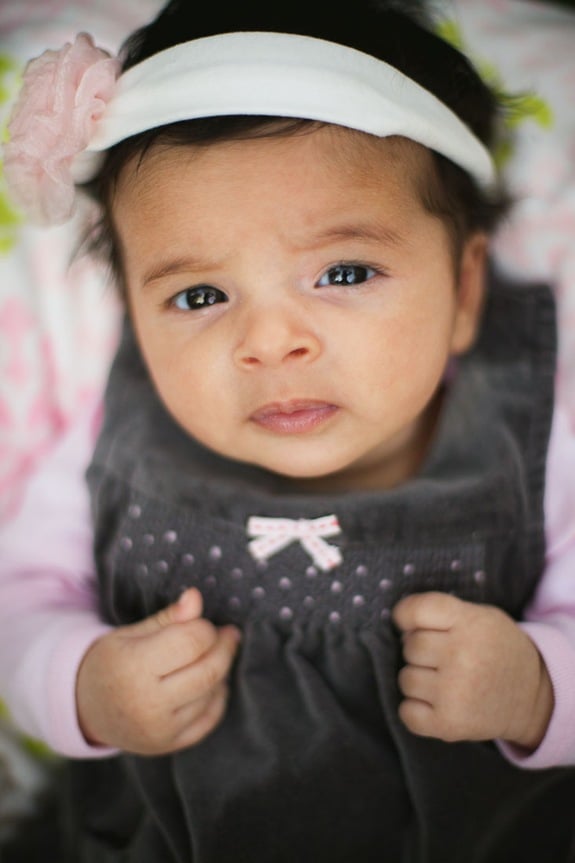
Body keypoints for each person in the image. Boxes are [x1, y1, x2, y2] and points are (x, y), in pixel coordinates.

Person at [2, 0, 575, 859]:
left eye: (342, 271)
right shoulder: (113, 447)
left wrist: (538, 683)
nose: (270, 342)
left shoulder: (533, 443)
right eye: (199, 296)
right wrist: (79, 683)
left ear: (461, 293)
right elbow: (20, 602)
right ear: (130, 312)